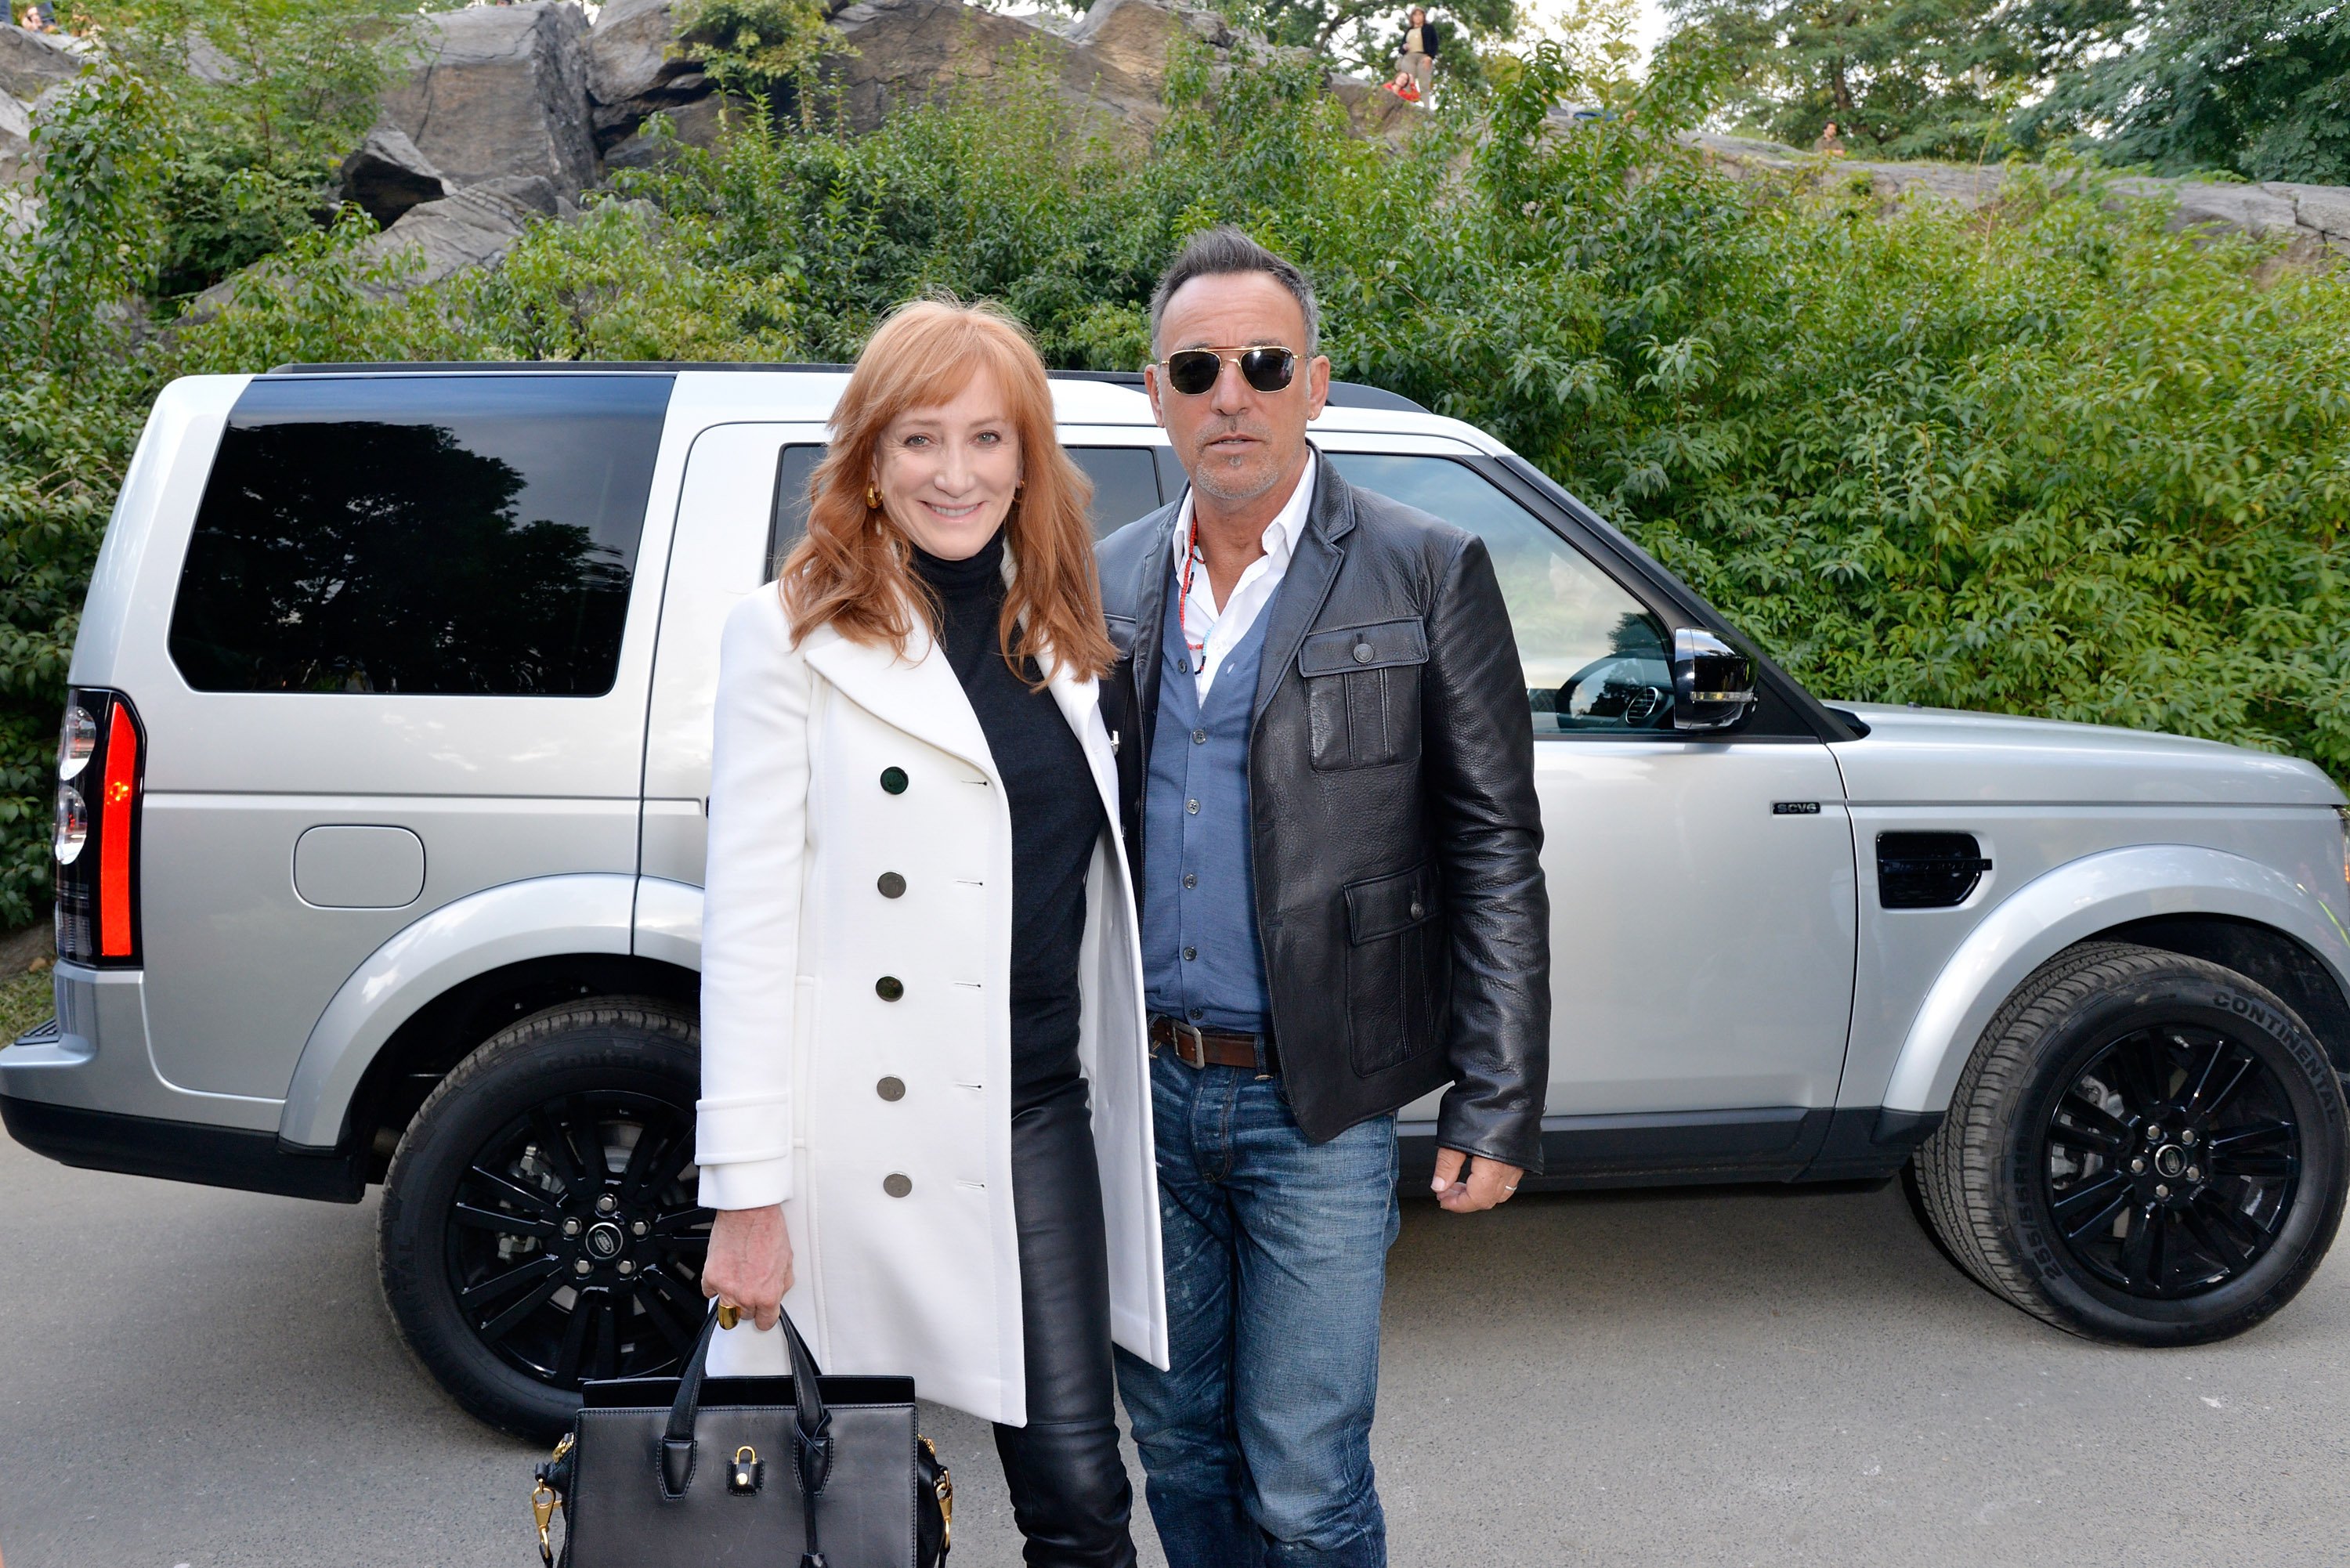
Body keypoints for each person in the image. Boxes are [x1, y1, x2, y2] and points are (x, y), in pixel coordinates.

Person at [1099, 228, 1550, 1566]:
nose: (1228, 392)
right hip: (1140, 1097)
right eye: (1198, 367)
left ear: (1318, 382)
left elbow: (1493, 848)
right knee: (1175, 1445)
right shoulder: (1109, 574)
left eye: (1261, 362)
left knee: (1304, 1479)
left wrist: (1498, 1095)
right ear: (1155, 393)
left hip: (1323, 1096)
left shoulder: (1424, 565)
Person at [695, 298, 1169, 1567]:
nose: (955, 473)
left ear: (1028, 457)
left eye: (986, 438)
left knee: (1080, 1492)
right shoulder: (787, 635)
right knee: (840, 1510)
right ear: (868, 457)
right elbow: (743, 934)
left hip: (1032, 1105)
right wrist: (746, 1195)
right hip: (851, 1128)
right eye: (919, 439)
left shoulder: (1066, 639)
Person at [1388, 7, 1439, 101]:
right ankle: (1406, 107)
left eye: (1420, 14)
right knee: (1406, 82)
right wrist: (1404, 47)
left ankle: (1426, 110)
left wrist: (1430, 57)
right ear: (1412, 17)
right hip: (1409, 57)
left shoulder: (1429, 28)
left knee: (1424, 84)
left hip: (1424, 57)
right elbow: (1401, 48)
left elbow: (1435, 43)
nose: (1418, 17)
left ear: (1424, 16)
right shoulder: (1409, 30)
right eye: (1415, 15)